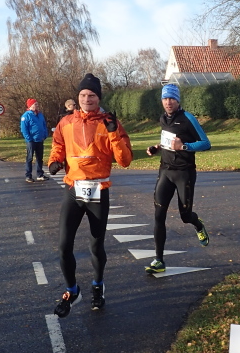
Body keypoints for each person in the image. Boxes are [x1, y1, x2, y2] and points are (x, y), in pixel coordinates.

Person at [48, 73, 133, 316]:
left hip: (98, 190)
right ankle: (72, 291)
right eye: (83, 95)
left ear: (98, 98)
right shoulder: (66, 122)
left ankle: (97, 286)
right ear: (78, 97)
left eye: (92, 95)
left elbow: (125, 161)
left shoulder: (108, 122)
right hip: (73, 189)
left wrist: (114, 132)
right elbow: (58, 145)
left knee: (96, 245)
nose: (87, 99)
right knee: (64, 246)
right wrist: (54, 160)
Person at [143, 83, 211, 274]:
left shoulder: (188, 118)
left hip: (184, 173)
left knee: (185, 216)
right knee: (158, 216)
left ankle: (198, 225)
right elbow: (168, 141)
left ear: (178, 100)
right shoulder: (163, 118)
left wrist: (184, 147)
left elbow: (206, 143)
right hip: (165, 171)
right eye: (165, 99)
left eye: (171, 98)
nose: (168, 102)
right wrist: (156, 148)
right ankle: (159, 260)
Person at [20, 99, 49, 183]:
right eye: (35, 104)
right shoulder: (26, 116)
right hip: (31, 140)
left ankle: (40, 174)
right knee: (30, 158)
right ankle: (28, 175)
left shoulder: (40, 115)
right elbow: (24, 129)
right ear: (30, 106)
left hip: (40, 139)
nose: (36, 105)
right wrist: (29, 138)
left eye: (37, 104)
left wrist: (45, 135)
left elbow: (44, 125)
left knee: (40, 158)